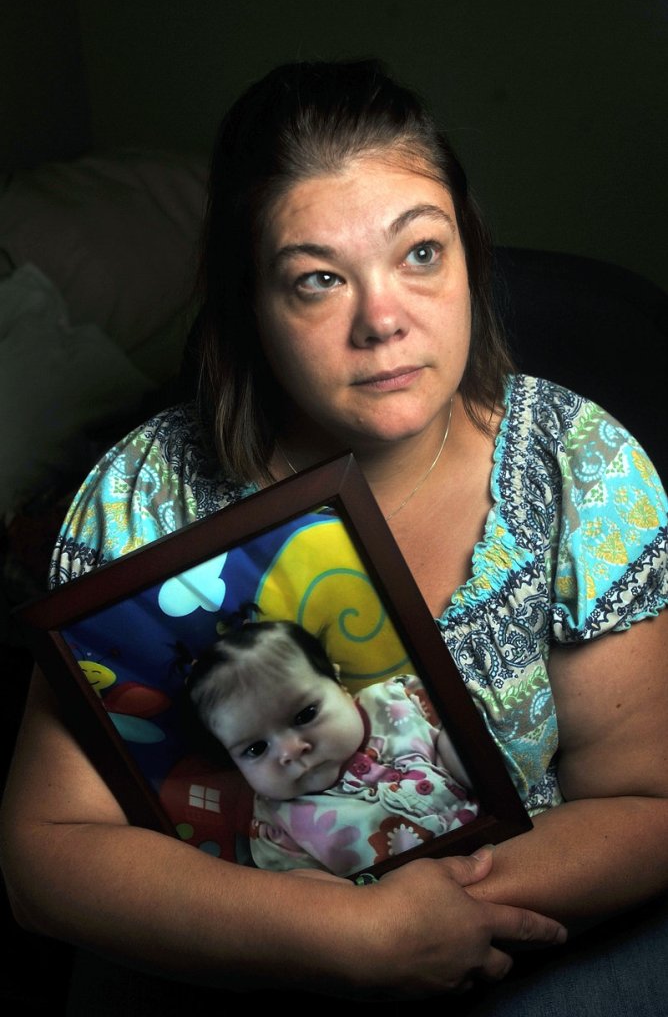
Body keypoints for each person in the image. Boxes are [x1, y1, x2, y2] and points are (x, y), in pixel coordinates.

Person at [1, 57, 667, 1012]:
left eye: (421, 253)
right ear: (250, 306)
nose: (384, 320)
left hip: (527, 946)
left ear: (470, 253)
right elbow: (45, 857)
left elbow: (646, 804)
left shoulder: (581, 468)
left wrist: (432, 921)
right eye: (317, 279)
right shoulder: (141, 495)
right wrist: (344, 935)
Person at [185, 619, 478, 878]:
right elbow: (319, 907)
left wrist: (455, 751)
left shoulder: (396, 700)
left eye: (305, 715)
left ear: (339, 684)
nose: (291, 750)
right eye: (255, 749)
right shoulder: (279, 829)